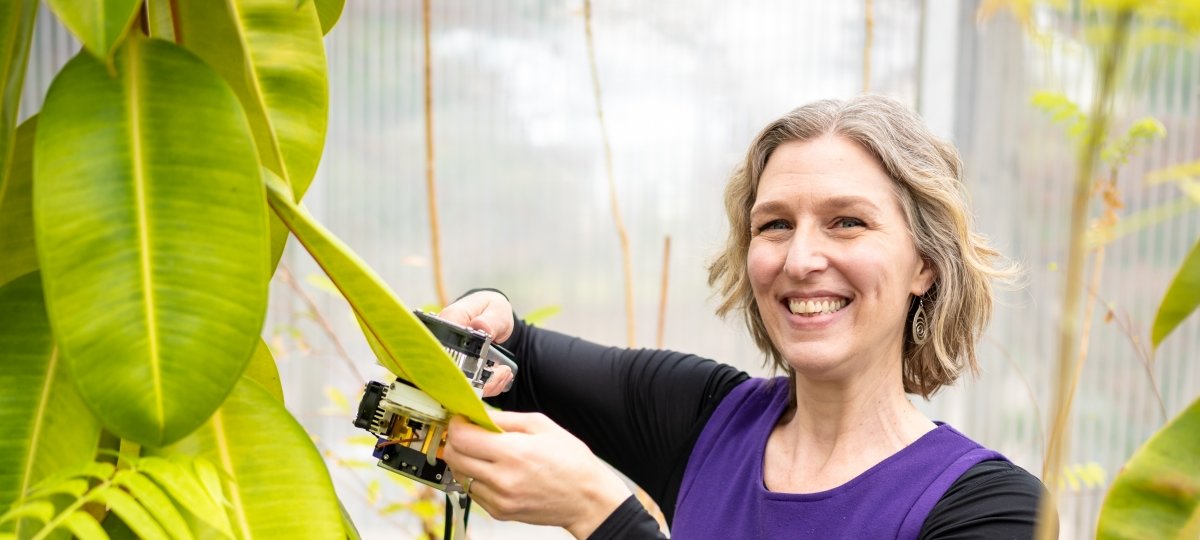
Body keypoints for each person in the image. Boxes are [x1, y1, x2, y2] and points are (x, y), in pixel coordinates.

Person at [440, 95, 1049, 539]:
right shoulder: (707, 419)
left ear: (925, 265)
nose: (801, 259)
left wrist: (600, 516)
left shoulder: (990, 511)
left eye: (848, 222)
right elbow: (522, 361)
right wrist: (486, 318)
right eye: (775, 225)